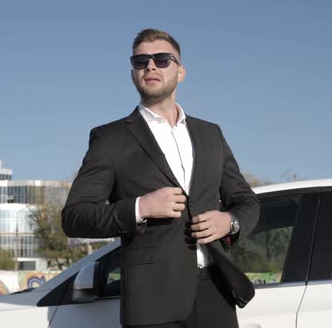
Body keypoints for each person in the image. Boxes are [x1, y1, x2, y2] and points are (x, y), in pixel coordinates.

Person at [62, 28, 260, 328]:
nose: (150, 66)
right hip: (151, 303)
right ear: (133, 73)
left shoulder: (211, 134)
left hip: (216, 294)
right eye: (141, 61)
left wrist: (229, 222)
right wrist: (141, 208)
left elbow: (246, 201)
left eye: (162, 59)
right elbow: (75, 216)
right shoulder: (110, 138)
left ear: (180, 72)